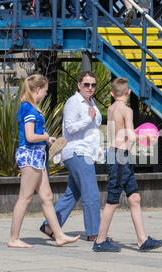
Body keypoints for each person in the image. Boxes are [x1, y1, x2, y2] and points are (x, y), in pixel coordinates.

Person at [93, 77, 162, 252]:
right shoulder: (127, 110)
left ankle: (142, 240)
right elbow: (131, 137)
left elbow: (118, 132)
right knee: (112, 200)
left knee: (134, 198)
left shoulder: (110, 109)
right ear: (129, 92)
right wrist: (145, 137)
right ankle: (100, 241)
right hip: (119, 158)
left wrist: (134, 134)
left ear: (112, 93)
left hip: (116, 154)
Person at [8, 75, 81, 248]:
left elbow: (34, 135)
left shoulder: (31, 107)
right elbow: (30, 136)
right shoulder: (29, 109)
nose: (46, 94)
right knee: (24, 197)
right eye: (46, 90)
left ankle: (59, 235)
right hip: (31, 156)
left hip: (37, 155)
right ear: (38, 89)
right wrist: (45, 136)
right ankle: (13, 238)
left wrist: (46, 140)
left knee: (46, 197)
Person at [40, 71, 103, 242]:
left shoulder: (92, 102)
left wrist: (99, 149)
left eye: (93, 85)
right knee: (91, 193)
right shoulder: (73, 102)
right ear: (79, 85)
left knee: (72, 193)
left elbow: (92, 132)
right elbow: (69, 128)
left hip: (87, 152)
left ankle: (49, 226)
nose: (90, 88)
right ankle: (94, 233)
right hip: (76, 152)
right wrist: (88, 119)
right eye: (86, 84)